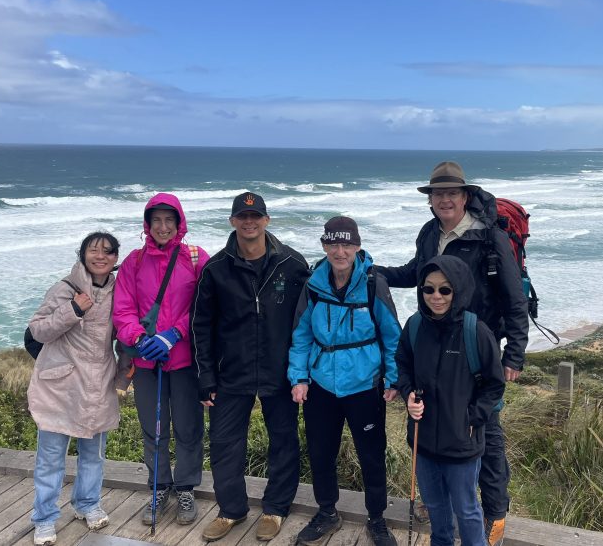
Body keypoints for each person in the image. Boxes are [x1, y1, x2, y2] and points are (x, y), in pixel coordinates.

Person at [378, 160, 528, 545]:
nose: (444, 200)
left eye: (451, 193)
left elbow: (514, 296)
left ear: (465, 197)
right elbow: (417, 273)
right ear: (430, 201)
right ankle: (440, 501)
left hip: (478, 345)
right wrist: (374, 271)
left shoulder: (488, 237)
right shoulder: (430, 232)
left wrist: (514, 353)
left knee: (485, 430)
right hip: (436, 341)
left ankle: (494, 512)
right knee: (436, 416)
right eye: (437, 194)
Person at [191, 191, 310, 543]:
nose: (249, 222)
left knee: (284, 442)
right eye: (243, 217)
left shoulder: (292, 264)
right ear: (232, 221)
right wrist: (205, 376)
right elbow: (201, 326)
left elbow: (306, 323)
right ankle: (231, 510)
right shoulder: (215, 269)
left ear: (267, 220)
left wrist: (301, 371)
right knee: (226, 443)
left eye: (256, 216)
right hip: (232, 373)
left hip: (280, 371)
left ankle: (275, 509)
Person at [288, 217, 401, 546]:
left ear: (357, 247)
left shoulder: (373, 284)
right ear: (324, 246)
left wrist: (393, 378)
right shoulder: (313, 284)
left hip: (365, 386)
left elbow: (392, 336)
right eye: (333, 244)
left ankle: (377, 519)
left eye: (347, 244)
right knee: (321, 453)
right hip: (321, 385)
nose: (340, 251)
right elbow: (301, 336)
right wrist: (299, 378)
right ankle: (327, 512)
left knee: (371, 454)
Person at [395, 255, 505, 546]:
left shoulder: (476, 332)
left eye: (445, 290)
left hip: (462, 443)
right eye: (428, 289)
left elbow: (495, 385)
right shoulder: (415, 325)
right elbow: (402, 366)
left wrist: (472, 418)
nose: (436, 296)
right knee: (436, 509)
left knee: (467, 511)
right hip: (423, 440)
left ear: (459, 290)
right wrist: (407, 395)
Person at [114, 193, 210, 526]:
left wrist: (172, 335)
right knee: (153, 429)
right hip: (146, 362)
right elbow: (123, 309)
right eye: (157, 220)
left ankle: (185, 487)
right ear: (148, 224)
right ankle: (158, 485)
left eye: (170, 220)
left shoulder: (195, 258)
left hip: (184, 360)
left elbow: (204, 306)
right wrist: (139, 338)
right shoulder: (134, 262)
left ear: (179, 222)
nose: (163, 227)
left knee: (188, 428)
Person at [27, 231, 123, 546]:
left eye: (108, 252)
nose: (101, 256)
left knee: (93, 453)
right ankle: (44, 519)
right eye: (93, 251)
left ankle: (87, 504)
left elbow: (125, 334)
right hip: (62, 385)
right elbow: (38, 330)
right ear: (82, 255)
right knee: (51, 457)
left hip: (97, 384)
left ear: (115, 259)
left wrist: (124, 376)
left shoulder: (118, 290)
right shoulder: (63, 289)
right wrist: (73, 310)